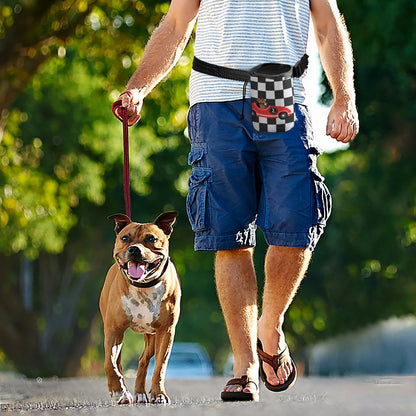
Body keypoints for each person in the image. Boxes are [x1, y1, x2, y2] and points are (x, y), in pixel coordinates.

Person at [114, 0, 359, 402]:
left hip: (278, 90)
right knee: (229, 237)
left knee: (295, 224)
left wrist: (343, 97)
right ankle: (244, 365)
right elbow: (176, 25)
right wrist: (138, 87)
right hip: (216, 97)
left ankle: (270, 326)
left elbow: (329, 26)